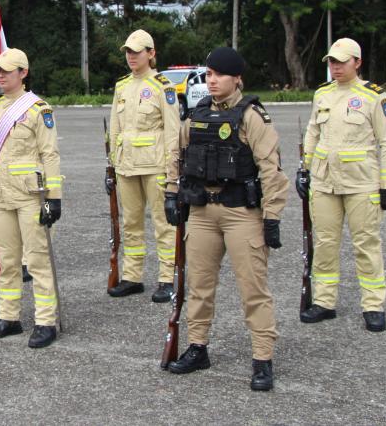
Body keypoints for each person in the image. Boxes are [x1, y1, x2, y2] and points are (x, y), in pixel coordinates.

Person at [168, 47, 288, 392]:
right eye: (208, 75)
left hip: (241, 215)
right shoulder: (198, 114)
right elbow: (176, 154)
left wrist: (272, 216)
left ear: (237, 78)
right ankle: (198, 347)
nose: (212, 80)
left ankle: (262, 359)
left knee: (253, 290)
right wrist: (171, 194)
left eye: (219, 74)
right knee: (199, 286)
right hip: (203, 213)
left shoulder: (252, 116)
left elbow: (272, 169)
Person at [297, 38, 386, 333]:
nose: (335, 67)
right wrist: (305, 170)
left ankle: (373, 305)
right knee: (325, 244)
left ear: (357, 62)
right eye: (331, 61)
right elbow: (313, 134)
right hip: (325, 182)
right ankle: (325, 302)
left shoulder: (374, 97)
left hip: (361, 184)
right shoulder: (323, 94)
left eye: (341, 61)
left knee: (366, 244)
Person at [0, 48, 63, 348]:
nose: (0, 75)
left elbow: (50, 154)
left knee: (38, 261)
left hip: (31, 195)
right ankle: (8, 316)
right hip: (1, 195)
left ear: (23, 73)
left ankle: (45, 321)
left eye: (7, 70)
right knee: (8, 260)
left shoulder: (38, 109)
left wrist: (54, 198)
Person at [107, 30, 180, 302]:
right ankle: (132, 276)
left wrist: (173, 172)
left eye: (137, 52)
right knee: (131, 224)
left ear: (151, 53)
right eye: (128, 51)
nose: (131, 56)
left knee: (163, 224)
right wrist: (113, 165)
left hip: (155, 166)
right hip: (127, 167)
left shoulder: (163, 86)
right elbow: (115, 129)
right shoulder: (122, 86)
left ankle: (166, 278)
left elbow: (173, 132)